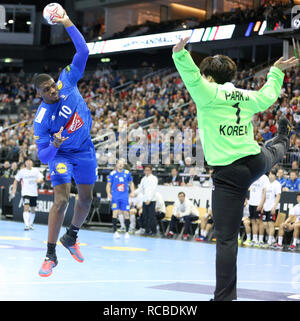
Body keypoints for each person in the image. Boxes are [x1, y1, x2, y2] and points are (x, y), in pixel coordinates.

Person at [172, 36, 297, 301]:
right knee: (273, 153)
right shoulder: (246, 95)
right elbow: (268, 96)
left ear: (208, 76)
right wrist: (275, 72)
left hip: (229, 174)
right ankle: (284, 140)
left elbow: (190, 76)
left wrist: (179, 53)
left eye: (204, 76)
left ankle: (224, 298)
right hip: (254, 161)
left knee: (226, 239)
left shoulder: (206, 93)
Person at [33, 9, 98, 277]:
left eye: (53, 86)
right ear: (39, 94)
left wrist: (68, 21)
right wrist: (56, 144)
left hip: (85, 150)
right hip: (62, 156)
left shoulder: (67, 81)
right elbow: (44, 157)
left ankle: (71, 237)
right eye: (47, 90)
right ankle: (50, 254)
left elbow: (82, 52)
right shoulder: (41, 120)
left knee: (86, 199)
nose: (53, 90)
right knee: (61, 200)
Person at [11, 159, 43, 230]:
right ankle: (26, 225)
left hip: (34, 193)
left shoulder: (36, 171)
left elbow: (41, 179)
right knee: (26, 207)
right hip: (26, 192)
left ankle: (31, 224)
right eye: (27, 162)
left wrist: (39, 180)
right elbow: (16, 180)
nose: (28, 163)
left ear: (32, 163)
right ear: (25, 163)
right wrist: (14, 190)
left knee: (33, 209)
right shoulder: (22, 171)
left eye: (30, 162)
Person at [106, 159, 135, 239]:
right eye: (119, 164)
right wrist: (109, 193)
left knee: (126, 213)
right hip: (115, 196)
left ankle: (127, 232)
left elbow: (131, 183)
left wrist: (132, 192)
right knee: (115, 213)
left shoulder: (127, 173)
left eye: (122, 164)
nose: (120, 165)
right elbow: (108, 185)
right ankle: (115, 232)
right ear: (117, 164)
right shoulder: (112, 174)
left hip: (124, 196)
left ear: (124, 165)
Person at [258, 169, 281, 248]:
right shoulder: (266, 184)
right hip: (266, 207)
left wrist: (274, 207)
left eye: (272, 174)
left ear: (275, 175)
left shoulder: (277, 184)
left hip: (273, 208)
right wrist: (262, 206)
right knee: (265, 224)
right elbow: (264, 196)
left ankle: (269, 241)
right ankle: (273, 240)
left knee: (271, 224)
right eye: (269, 174)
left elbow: (278, 196)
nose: (270, 176)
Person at [135, 165, 158, 236]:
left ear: (151, 171)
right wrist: (134, 193)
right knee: (145, 216)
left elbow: (153, 190)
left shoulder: (154, 178)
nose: (147, 172)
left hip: (151, 200)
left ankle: (154, 231)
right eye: (145, 170)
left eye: (148, 170)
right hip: (144, 200)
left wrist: (149, 199)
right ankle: (147, 230)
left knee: (151, 217)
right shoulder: (143, 179)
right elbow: (141, 189)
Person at [248, 174, 269, 246]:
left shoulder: (264, 178)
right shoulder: (253, 175)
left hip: (258, 203)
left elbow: (265, 192)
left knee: (259, 221)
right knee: (253, 221)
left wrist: (262, 203)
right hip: (251, 203)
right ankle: (254, 239)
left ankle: (260, 240)